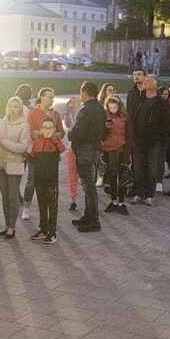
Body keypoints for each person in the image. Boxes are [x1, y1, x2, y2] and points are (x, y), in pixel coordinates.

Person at [0, 97, 31, 239]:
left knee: (13, 196)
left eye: (15, 106)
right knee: (4, 195)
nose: (12, 109)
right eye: (10, 106)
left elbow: (22, 147)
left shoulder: (24, 125)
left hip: (15, 164)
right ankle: (6, 225)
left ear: (20, 108)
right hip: (0, 164)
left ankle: (12, 227)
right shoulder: (0, 122)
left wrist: (5, 142)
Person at [68, 81, 105, 232]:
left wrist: (71, 134)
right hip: (95, 149)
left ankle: (93, 219)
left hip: (85, 151)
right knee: (89, 184)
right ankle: (88, 215)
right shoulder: (101, 109)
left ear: (85, 93)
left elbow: (77, 132)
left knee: (88, 185)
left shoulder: (86, 111)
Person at [23, 88, 65, 220]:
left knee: (50, 184)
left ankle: (48, 210)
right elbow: (29, 132)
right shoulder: (33, 113)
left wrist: (53, 134)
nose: (52, 100)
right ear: (41, 97)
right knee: (32, 180)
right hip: (36, 154)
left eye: (53, 97)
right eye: (49, 97)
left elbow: (61, 132)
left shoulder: (55, 115)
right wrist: (42, 133)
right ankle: (27, 207)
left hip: (51, 155)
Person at [130, 76, 166, 206]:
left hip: (153, 141)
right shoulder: (139, 99)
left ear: (156, 84)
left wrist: (157, 137)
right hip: (138, 140)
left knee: (151, 168)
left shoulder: (160, 102)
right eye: (144, 81)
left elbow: (164, 123)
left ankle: (150, 195)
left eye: (148, 81)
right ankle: (139, 193)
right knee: (138, 168)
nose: (145, 82)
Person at [30, 118, 66, 243]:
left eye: (50, 128)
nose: (47, 130)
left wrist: (54, 138)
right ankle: (43, 229)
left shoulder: (55, 142)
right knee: (42, 203)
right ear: (40, 129)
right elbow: (32, 157)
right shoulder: (37, 142)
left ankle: (52, 232)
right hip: (39, 178)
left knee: (52, 204)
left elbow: (62, 149)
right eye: (45, 127)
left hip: (52, 179)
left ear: (54, 129)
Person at [101, 96, 132, 216]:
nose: (113, 109)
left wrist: (127, 155)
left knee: (122, 178)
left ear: (119, 106)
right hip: (109, 151)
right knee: (112, 177)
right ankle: (113, 201)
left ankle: (121, 202)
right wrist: (105, 128)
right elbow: (102, 137)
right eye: (110, 107)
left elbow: (130, 137)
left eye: (115, 107)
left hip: (121, 150)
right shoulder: (106, 118)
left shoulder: (125, 118)